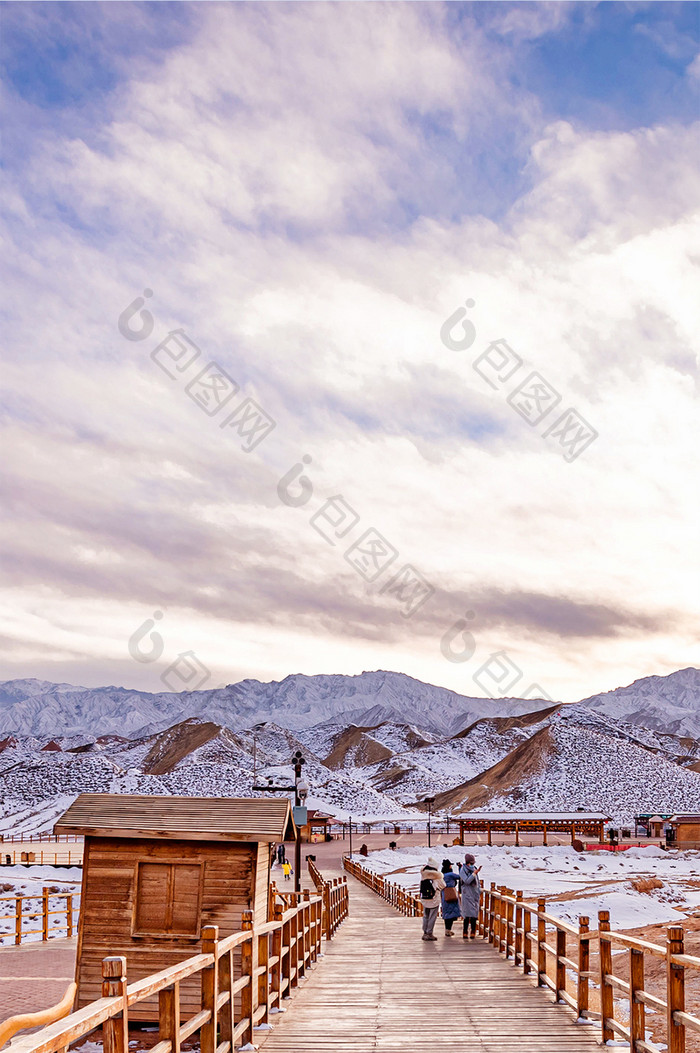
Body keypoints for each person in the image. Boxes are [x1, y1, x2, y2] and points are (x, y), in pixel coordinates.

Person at [419, 856, 445, 941]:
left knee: (426, 916)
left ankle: (425, 932)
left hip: (425, 898)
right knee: (432, 917)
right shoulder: (437, 876)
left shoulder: (423, 874)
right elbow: (443, 885)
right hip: (434, 899)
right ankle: (429, 933)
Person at [459, 853, 481, 939]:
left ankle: (473, 931)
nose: (472, 865)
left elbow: (477, 882)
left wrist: (479, 890)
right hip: (467, 894)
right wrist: (473, 874)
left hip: (474, 894)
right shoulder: (463, 870)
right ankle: (465, 931)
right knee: (467, 914)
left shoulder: (474, 869)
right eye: (471, 863)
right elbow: (467, 881)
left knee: (474, 914)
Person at [441, 862, 461, 936]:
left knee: (447, 912)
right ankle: (448, 930)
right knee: (451, 912)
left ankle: (447, 930)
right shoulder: (450, 874)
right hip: (451, 894)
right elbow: (461, 877)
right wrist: (460, 868)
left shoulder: (442, 875)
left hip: (444, 894)